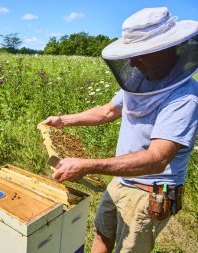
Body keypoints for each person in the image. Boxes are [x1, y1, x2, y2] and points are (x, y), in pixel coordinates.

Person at [39, 7, 198, 253]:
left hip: (150, 192)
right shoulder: (139, 81)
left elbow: (157, 159)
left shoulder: (184, 98)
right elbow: (107, 111)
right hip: (122, 179)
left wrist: (87, 165)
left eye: (140, 54)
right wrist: (63, 120)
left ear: (165, 49)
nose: (133, 62)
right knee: (102, 234)